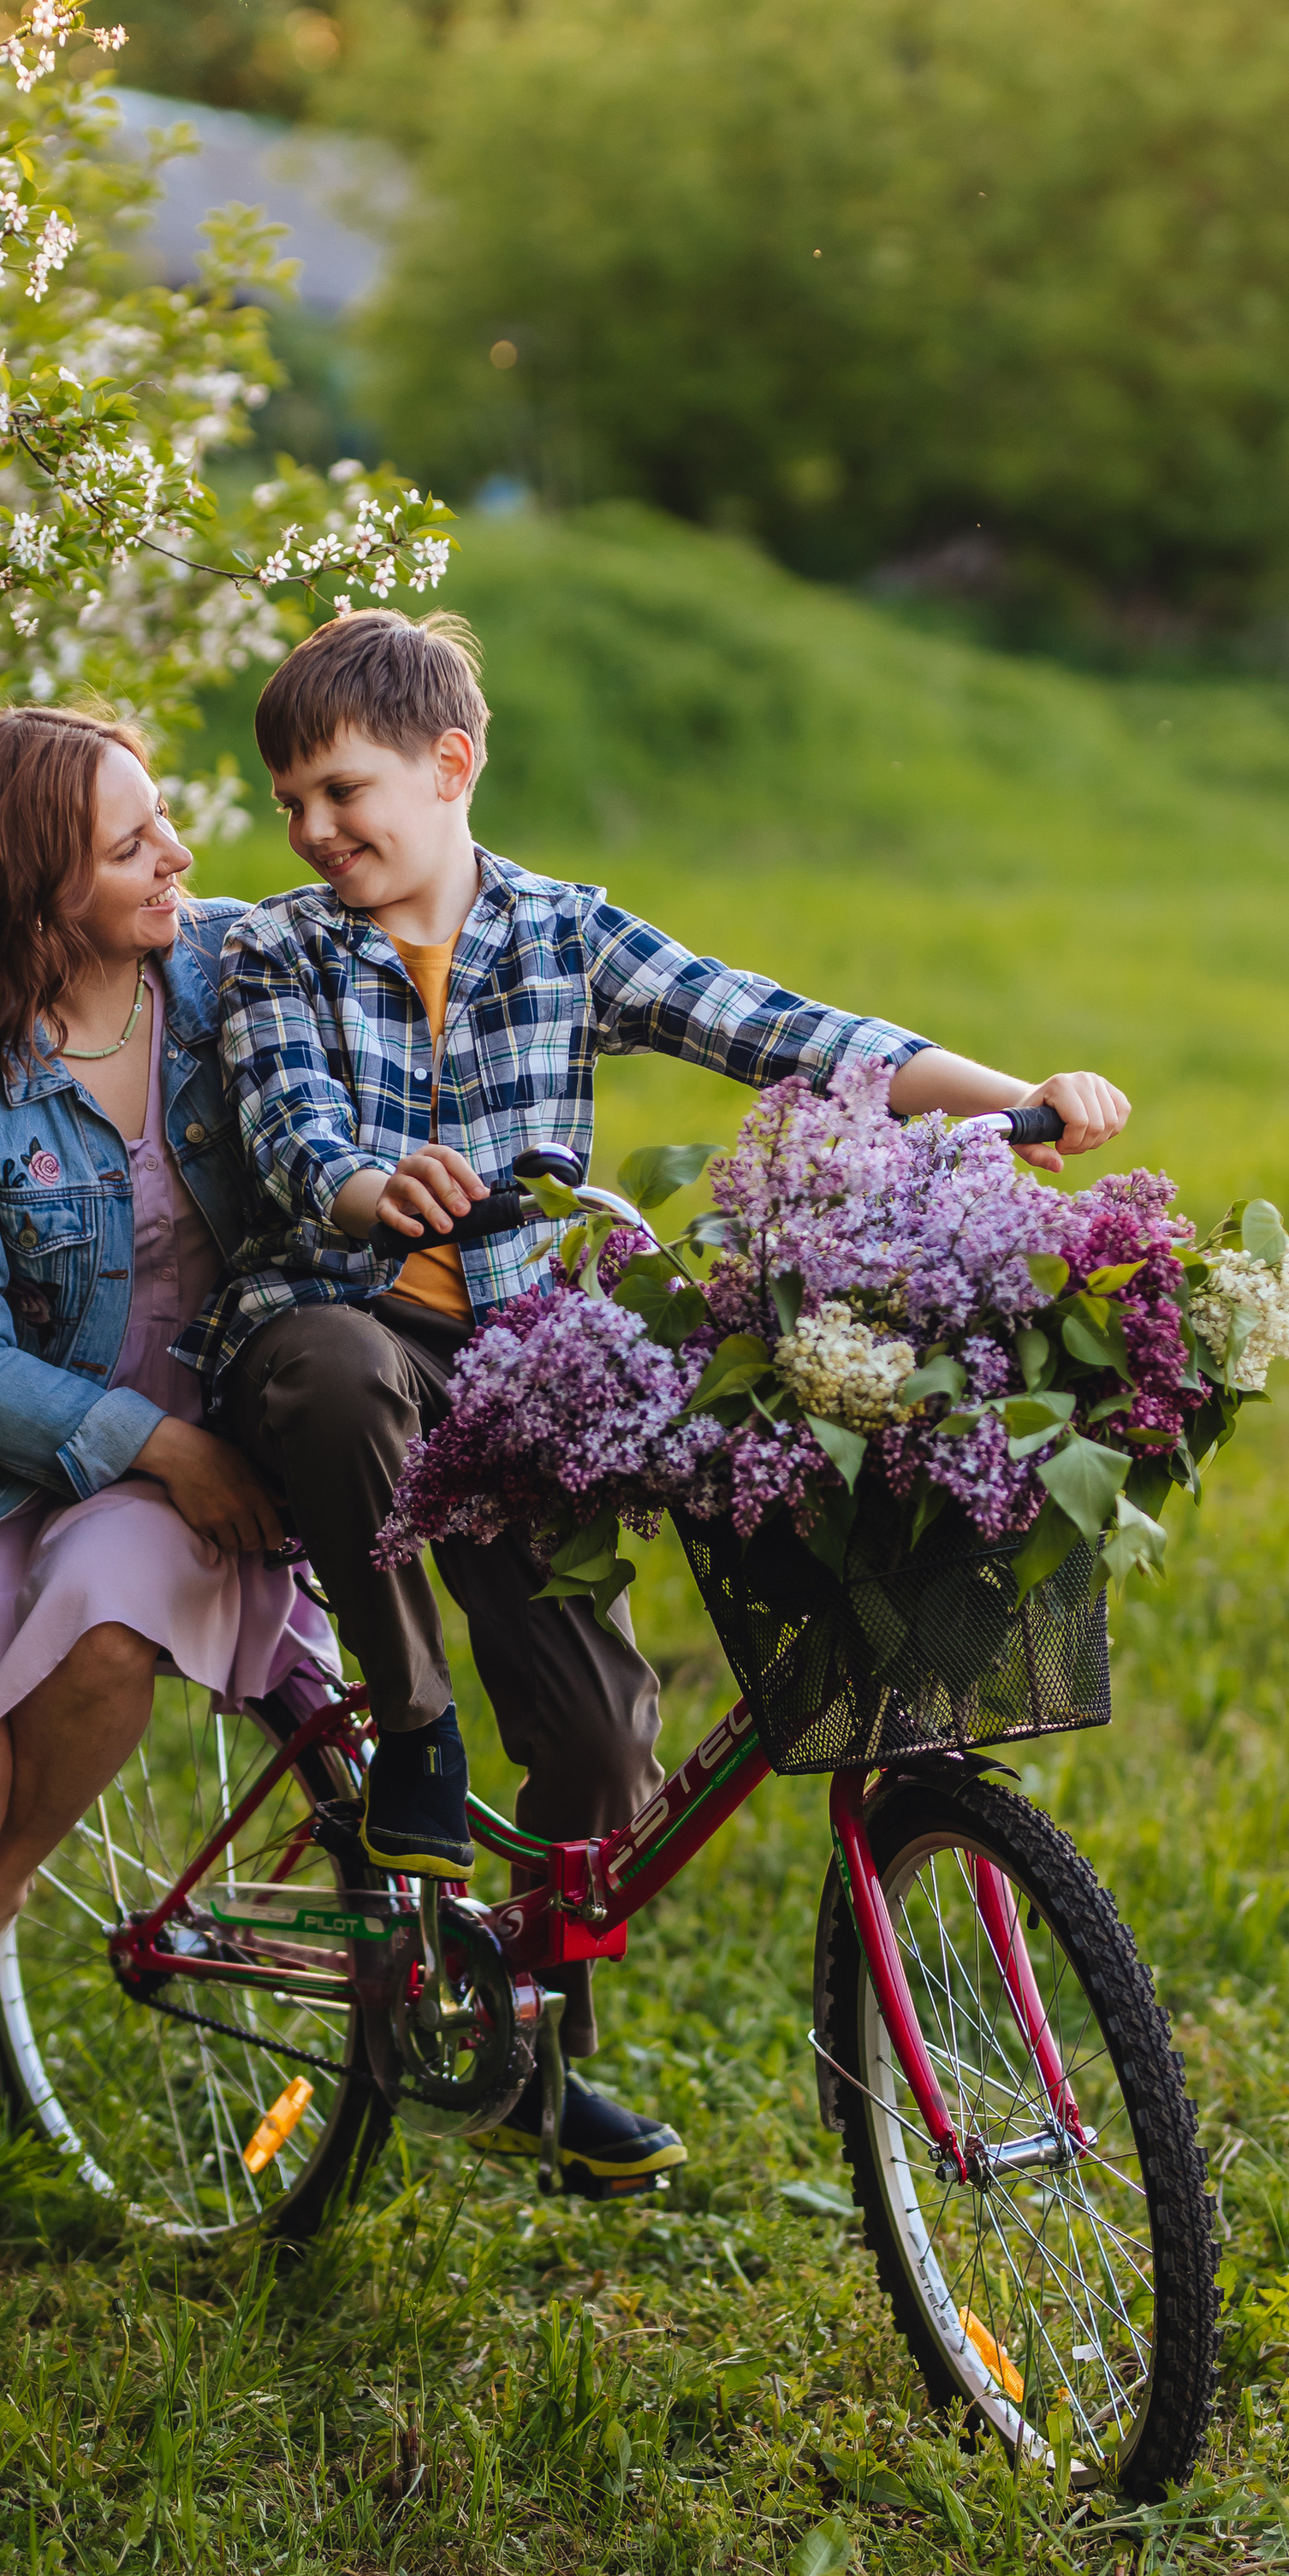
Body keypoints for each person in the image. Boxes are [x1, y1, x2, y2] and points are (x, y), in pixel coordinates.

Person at [193, 608, 1132, 2200]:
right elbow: (290, 1128)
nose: (314, 829)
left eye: (343, 791)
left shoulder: (564, 932)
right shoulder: (283, 949)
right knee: (347, 1375)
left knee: (602, 1747)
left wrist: (1016, 1098)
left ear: (451, 765)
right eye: (292, 804)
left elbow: (780, 1032)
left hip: (515, 1372)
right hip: (331, 1324)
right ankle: (409, 1727)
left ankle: (535, 2060)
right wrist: (368, 1189)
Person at [0, 706, 336, 2306]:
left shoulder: (234, 976)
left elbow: (437, 915)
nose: (180, 852)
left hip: (188, 1449)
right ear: (35, 896)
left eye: (162, 821)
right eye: (130, 842)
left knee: (102, 1645)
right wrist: (149, 1446)